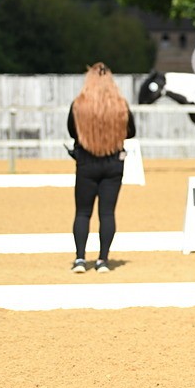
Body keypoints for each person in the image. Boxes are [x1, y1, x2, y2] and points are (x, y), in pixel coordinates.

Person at [67, 63, 136, 273]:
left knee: (83, 212)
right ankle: (103, 260)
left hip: (87, 162)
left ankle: (80, 259)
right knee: (107, 213)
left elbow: (72, 132)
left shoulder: (79, 105)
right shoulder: (120, 105)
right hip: (113, 163)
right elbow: (131, 132)